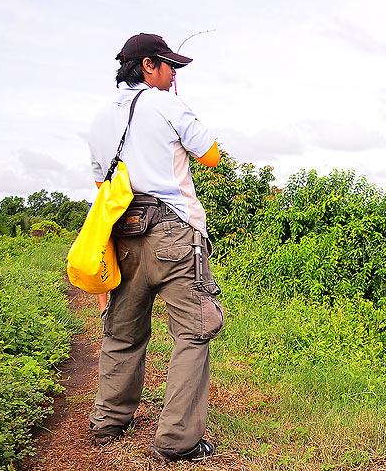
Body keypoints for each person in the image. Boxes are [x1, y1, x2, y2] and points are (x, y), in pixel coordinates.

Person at [87, 33, 223, 462]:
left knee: (122, 332)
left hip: (124, 231)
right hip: (173, 232)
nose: (173, 75)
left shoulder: (99, 119)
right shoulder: (166, 103)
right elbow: (212, 156)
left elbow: (100, 184)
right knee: (194, 331)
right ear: (149, 65)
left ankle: (109, 421)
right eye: (171, 67)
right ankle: (177, 440)